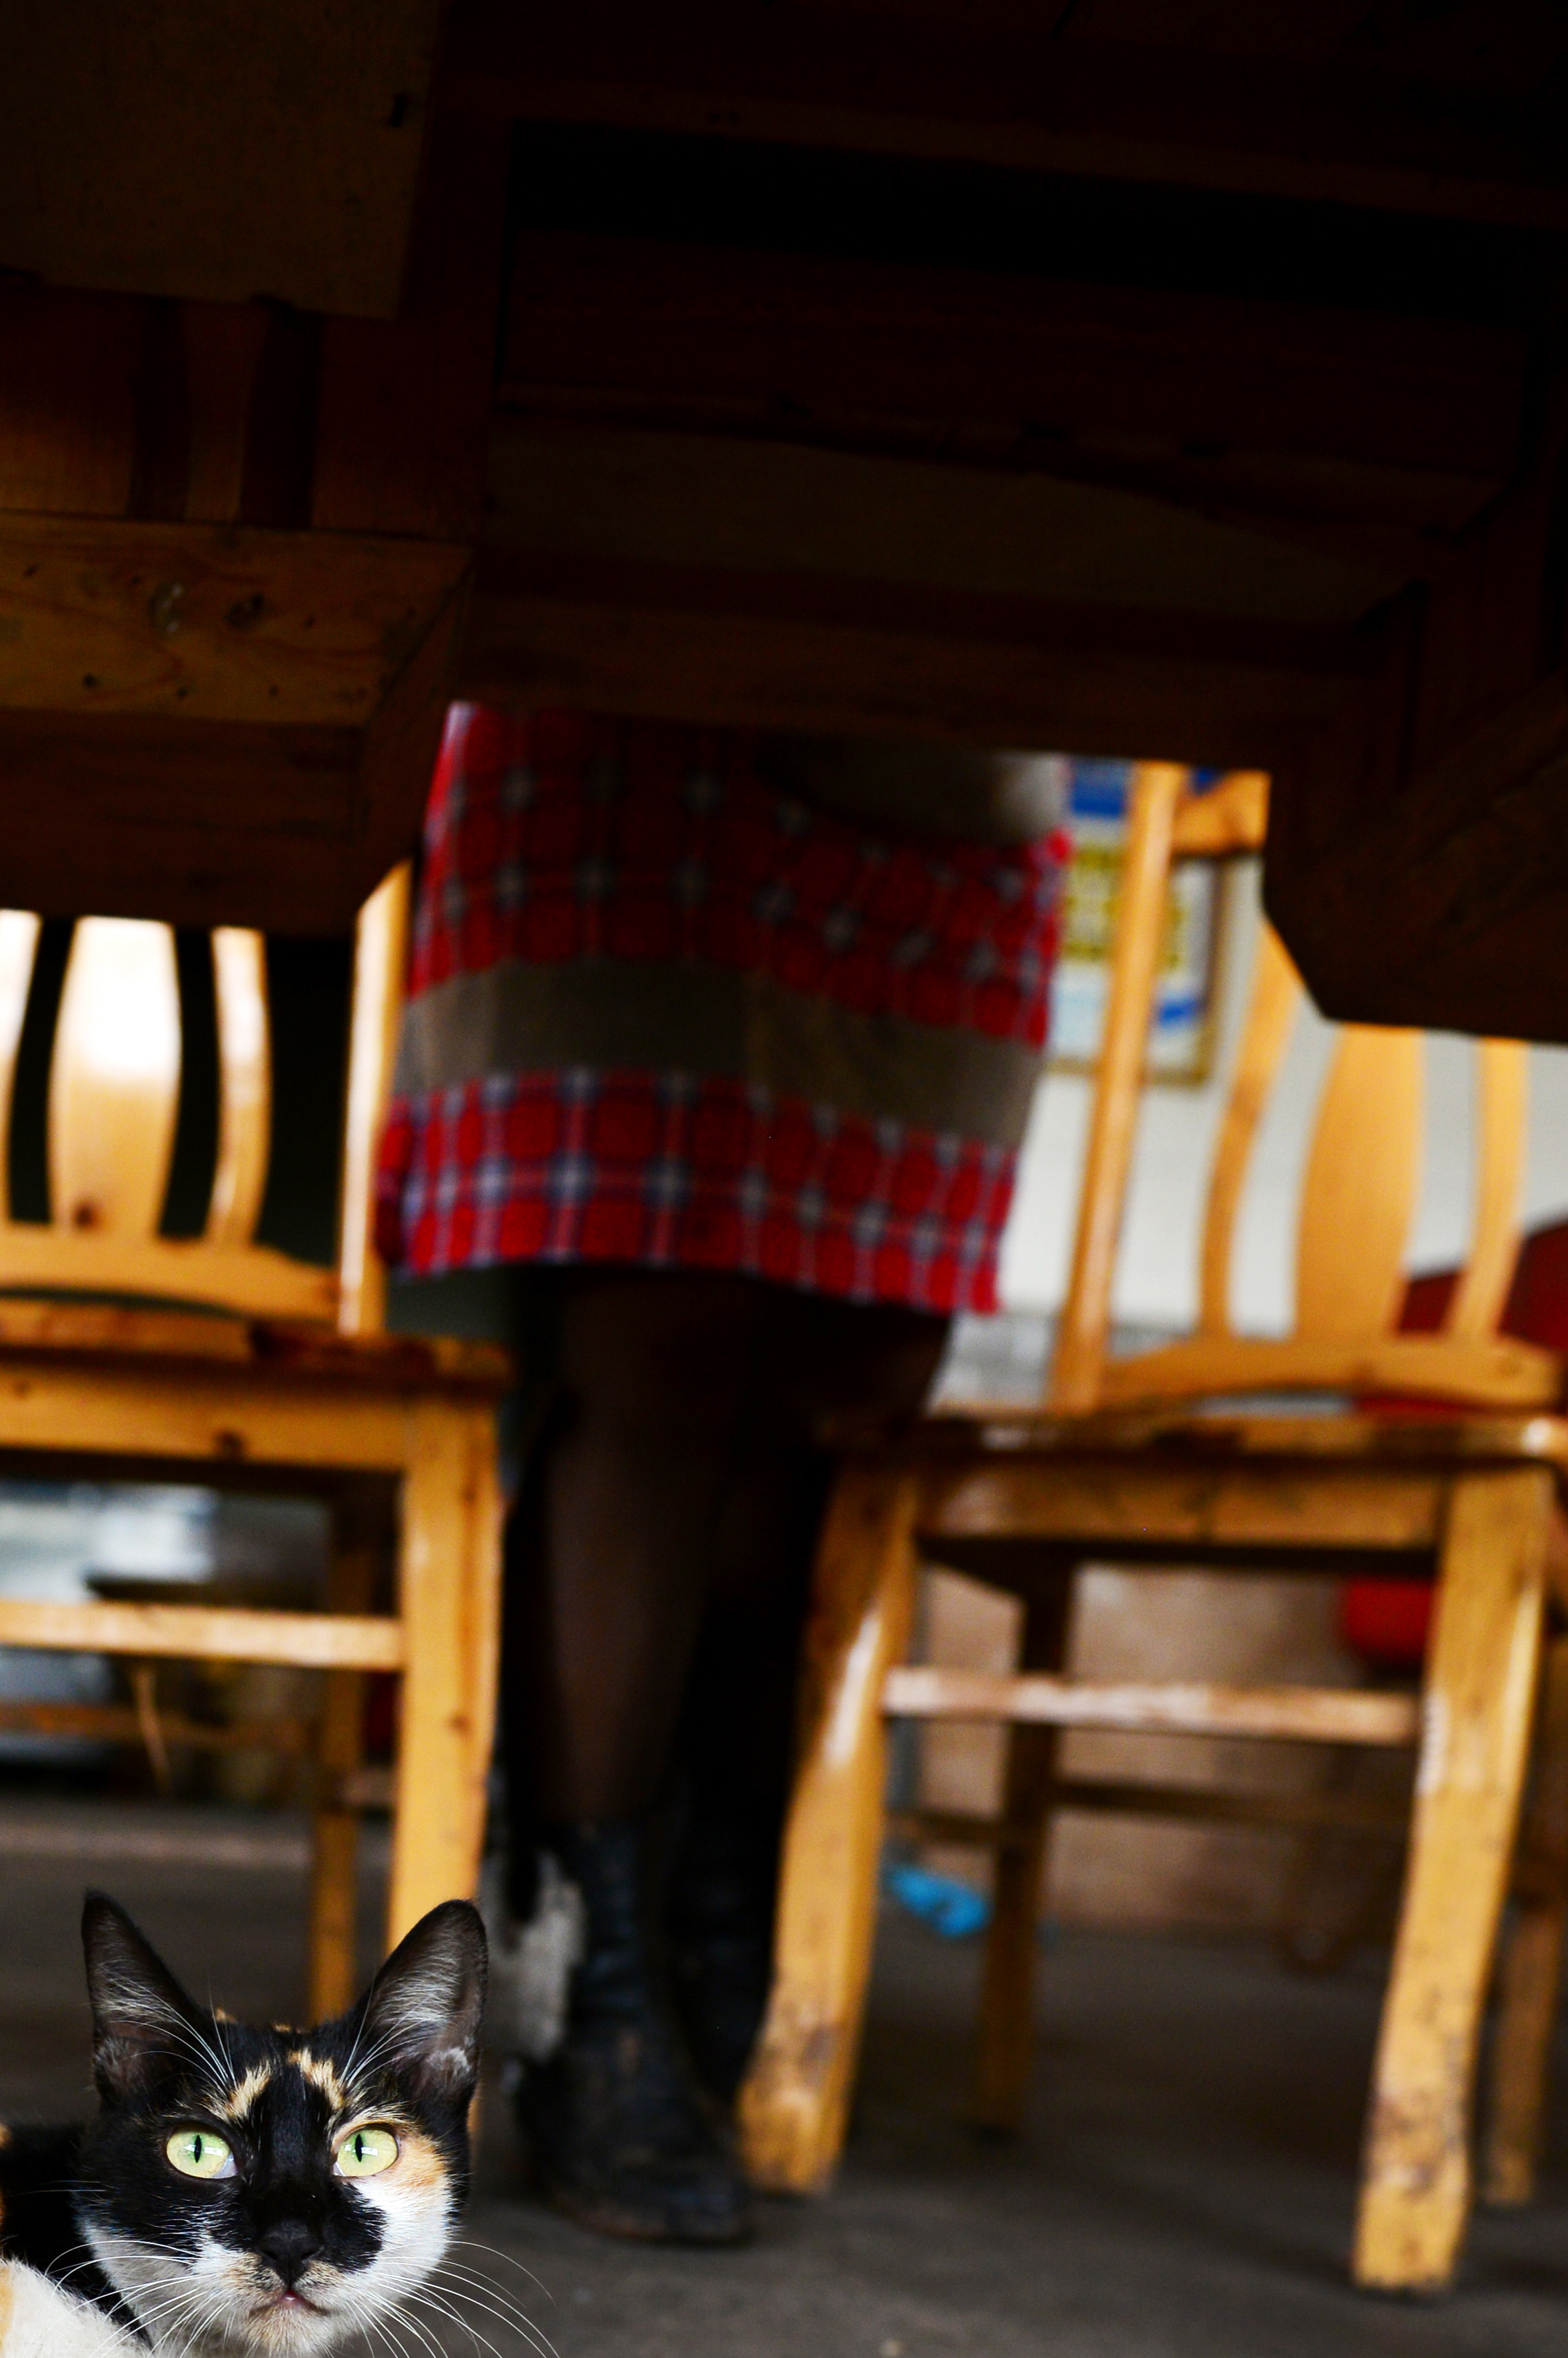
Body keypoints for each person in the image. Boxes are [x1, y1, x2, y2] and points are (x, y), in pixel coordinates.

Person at [377, 710, 1066, 2247]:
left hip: (942, 775)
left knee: (843, 1403)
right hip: (632, 746)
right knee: (654, 1351)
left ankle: (717, 1921)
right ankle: (586, 1975)